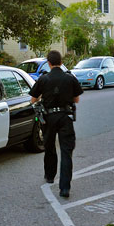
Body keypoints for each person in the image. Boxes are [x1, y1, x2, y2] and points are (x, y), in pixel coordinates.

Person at [29, 50, 83, 198]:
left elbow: (33, 100)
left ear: (49, 63)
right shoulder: (70, 78)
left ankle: (50, 175)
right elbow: (76, 99)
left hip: (49, 117)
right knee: (66, 151)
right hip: (65, 117)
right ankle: (65, 188)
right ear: (61, 62)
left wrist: (44, 96)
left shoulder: (43, 79)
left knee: (50, 147)